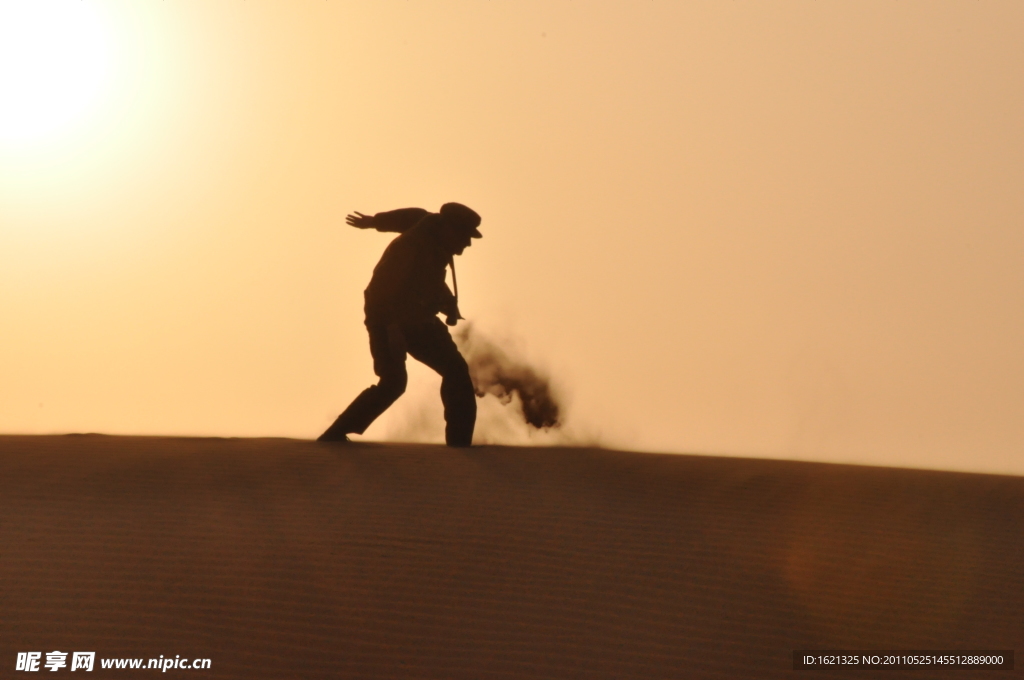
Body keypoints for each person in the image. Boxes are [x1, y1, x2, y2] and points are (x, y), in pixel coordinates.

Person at [318, 203, 482, 446]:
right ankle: (334, 436)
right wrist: (392, 330)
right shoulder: (410, 246)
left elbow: (408, 218)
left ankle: (460, 446)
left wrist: (446, 301)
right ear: (449, 229)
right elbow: (383, 292)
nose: (467, 244)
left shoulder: (431, 234)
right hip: (386, 319)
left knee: (456, 370)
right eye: (465, 236)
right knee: (393, 383)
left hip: (419, 319)